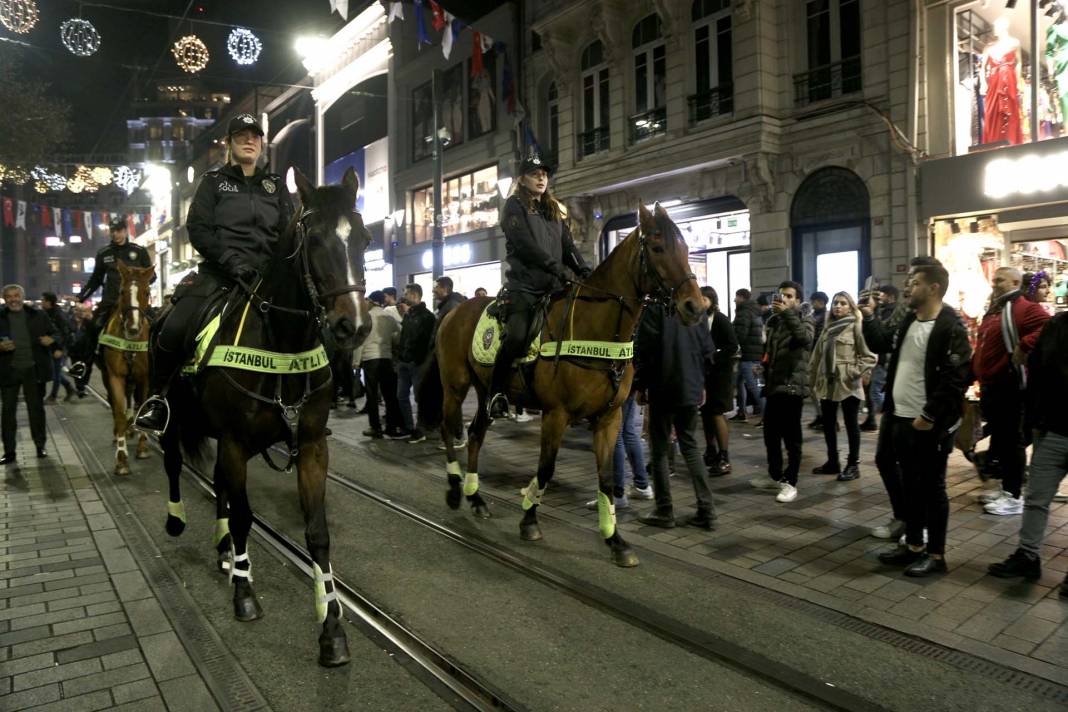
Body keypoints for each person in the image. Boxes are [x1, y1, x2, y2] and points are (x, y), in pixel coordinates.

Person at [135, 113, 293, 433]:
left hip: (267, 278)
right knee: (172, 325)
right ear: (229, 143)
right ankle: (158, 398)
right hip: (221, 275)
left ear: (262, 144)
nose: (249, 141)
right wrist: (230, 260)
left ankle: (305, 400)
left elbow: (289, 232)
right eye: (241, 136)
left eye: (255, 136)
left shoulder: (274, 185)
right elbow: (198, 229)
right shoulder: (213, 181)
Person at [862, 259, 972, 577]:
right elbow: (881, 343)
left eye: (915, 281)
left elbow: (956, 378)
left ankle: (936, 555)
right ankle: (913, 545)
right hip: (900, 416)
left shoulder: (951, 326)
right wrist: (869, 317)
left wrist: (930, 414)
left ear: (933, 288)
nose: (908, 286)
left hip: (929, 423)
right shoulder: (909, 319)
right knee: (910, 484)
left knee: (932, 488)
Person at [487, 151, 590, 419]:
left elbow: (568, 246)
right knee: (518, 336)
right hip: (525, 287)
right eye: (535, 174)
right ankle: (496, 393)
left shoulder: (553, 209)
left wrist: (583, 267)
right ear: (522, 179)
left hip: (555, 287)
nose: (541, 178)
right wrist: (554, 266)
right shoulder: (513, 206)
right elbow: (525, 245)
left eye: (544, 174)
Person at [987, 309, 1068, 599]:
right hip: (1053, 429)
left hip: (1052, 427)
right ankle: (1028, 556)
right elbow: (1036, 371)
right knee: (1036, 499)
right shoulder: (1057, 325)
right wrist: (1033, 421)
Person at [971, 266, 1050, 516]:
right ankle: (1007, 488)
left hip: (1009, 386)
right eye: (994, 280)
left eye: (1001, 280)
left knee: (1010, 441)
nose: (995, 283)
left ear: (1016, 281)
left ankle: (1014, 496)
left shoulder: (1023, 307)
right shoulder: (997, 309)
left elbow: (1049, 326)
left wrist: (1024, 346)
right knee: (1003, 442)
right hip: (992, 386)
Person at [634, 301, 716, 530]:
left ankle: (664, 510)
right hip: (690, 387)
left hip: (663, 386)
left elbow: (645, 348)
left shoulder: (656, 308)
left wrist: (641, 385)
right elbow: (708, 351)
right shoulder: (695, 307)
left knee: (659, 449)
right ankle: (706, 509)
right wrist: (701, 383)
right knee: (690, 445)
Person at [748, 281, 814, 503]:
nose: (783, 299)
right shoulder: (775, 322)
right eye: (782, 295)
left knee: (792, 437)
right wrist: (764, 366)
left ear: (797, 300)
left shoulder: (805, 319)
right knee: (771, 435)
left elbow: (805, 339)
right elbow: (772, 351)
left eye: (789, 296)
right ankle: (775, 475)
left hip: (793, 386)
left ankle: (791, 482)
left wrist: (787, 315)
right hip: (774, 385)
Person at [68, 217, 153, 390]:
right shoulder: (104, 253)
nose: (116, 233)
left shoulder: (139, 251)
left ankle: (162, 373)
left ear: (125, 231)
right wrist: (80, 297)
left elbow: (152, 277)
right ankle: (83, 369)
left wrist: (135, 284)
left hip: (135, 304)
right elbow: (96, 279)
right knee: (90, 331)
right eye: (113, 230)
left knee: (159, 327)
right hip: (110, 303)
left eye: (119, 230)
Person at [808, 291, 877, 481]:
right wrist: (811, 381)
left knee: (851, 423)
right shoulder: (827, 328)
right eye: (836, 303)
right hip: (828, 383)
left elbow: (869, 356)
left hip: (848, 384)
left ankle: (853, 465)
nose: (838, 306)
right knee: (829, 425)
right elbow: (816, 357)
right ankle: (833, 462)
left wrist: (854, 372)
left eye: (843, 303)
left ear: (850, 307)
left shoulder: (855, 325)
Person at [0, 285, 56, 461]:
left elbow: (57, 333)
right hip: (8, 371)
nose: (13, 299)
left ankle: (40, 447)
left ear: (22, 297)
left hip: (34, 370)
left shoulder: (37, 315)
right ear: (4, 299)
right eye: (9, 296)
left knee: (36, 411)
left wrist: (52, 340)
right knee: (7, 413)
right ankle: (9, 452)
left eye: (16, 295)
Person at [701, 286, 739, 475]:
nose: (701, 303)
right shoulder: (698, 320)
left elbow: (732, 346)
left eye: (704, 299)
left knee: (717, 413)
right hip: (704, 376)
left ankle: (724, 457)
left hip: (720, 376)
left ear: (712, 301)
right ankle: (710, 450)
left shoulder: (721, 319)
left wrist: (714, 357)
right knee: (706, 414)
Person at [356, 291, 402, 439]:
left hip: (370, 359)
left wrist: (356, 361)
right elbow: (398, 337)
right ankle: (391, 427)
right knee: (389, 394)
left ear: (372, 301)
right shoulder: (389, 316)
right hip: (386, 358)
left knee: (372, 394)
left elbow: (359, 342)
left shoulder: (366, 317)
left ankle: (375, 427)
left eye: (367, 300)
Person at [394, 283, 435, 443]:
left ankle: (421, 429)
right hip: (404, 362)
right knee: (401, 396)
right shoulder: (408, 315)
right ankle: (409, 427)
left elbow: (428, 342)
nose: (404, 296)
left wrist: (420, 360)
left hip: (417, 364)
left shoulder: (427, 317)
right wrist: (400, 358)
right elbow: (404, 338)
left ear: (415, 295)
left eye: (406, 293)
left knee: (420, 398)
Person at [861, 284, 898, 431]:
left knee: (875, 392)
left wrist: (872, 313)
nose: (880, 298)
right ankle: (872, 419)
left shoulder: (892, 313)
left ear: (891, 296)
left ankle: (891, 416)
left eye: (882, 295)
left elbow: (881, 335)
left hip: (882, 359)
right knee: (871, 391)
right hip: (874, 357)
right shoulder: (882, 311)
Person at [732, 288, 765, 422]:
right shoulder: (754, 310)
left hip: (748, 354)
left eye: (736, 297)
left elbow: (740, 334)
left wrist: (733, 345)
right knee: (739, 382)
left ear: (742, 297)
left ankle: (768, 416)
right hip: (754, 353)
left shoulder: (744, 312)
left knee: (753, 386)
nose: (734, 300)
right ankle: (741, 412)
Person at [40, 292, 75, 403]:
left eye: (43, 300)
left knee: (55, 373)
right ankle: (69, 388)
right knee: (55, 372)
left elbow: (65, 333)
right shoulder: (46, 313)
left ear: (48, 302)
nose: (41, 302)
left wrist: (60, 349)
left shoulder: (58, 314)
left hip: (59, 347)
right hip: (51, 347)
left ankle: (53, 397)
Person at [807, 291, 829, 430]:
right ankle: (820, 416)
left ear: (821, 302)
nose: (812, 303)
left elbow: (819, 336)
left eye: (814, 301)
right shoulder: (814, 315)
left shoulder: (825, 316)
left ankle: (826, 418)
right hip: (813, 354)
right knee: (812, 388)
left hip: (820, 355)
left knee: (819, 388)